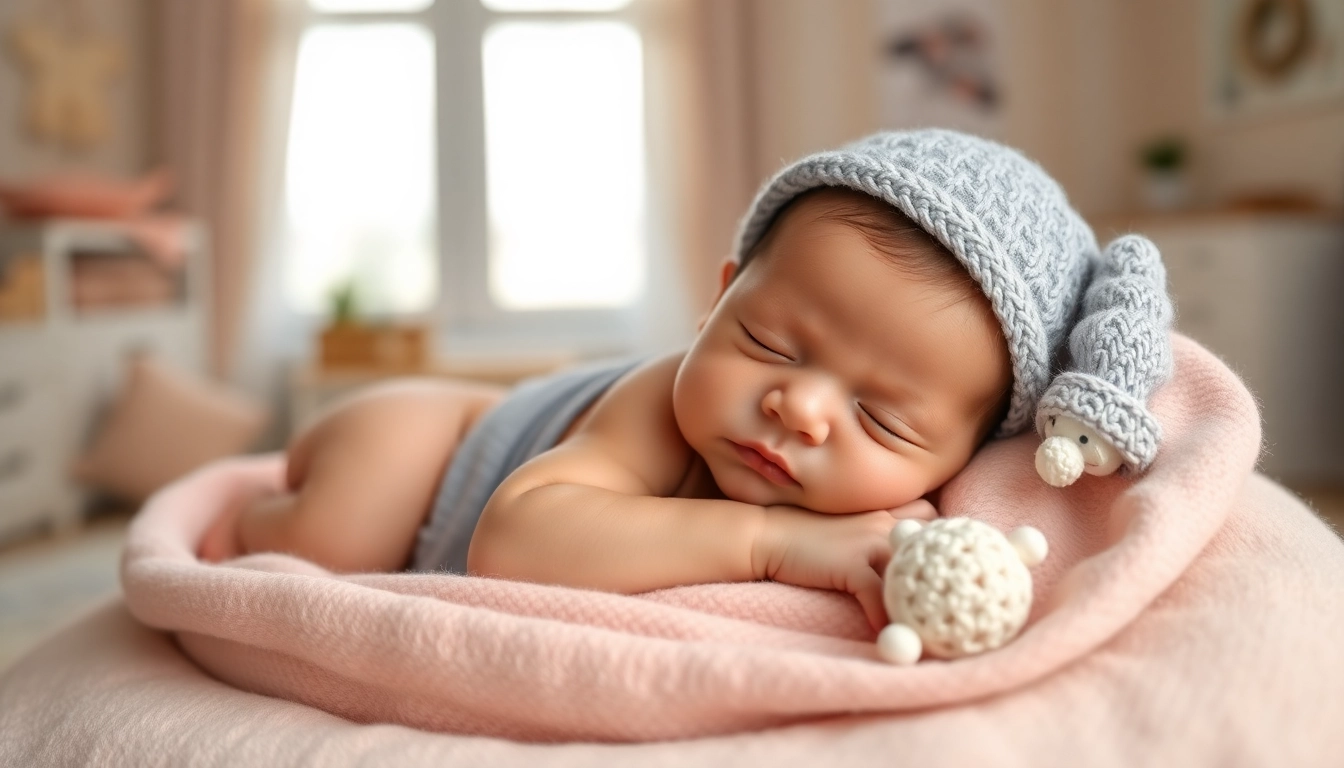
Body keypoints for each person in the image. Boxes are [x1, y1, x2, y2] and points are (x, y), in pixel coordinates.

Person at [201, 129, 1172, 632]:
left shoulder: (918, 511)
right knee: (337, 535)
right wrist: (768, 541)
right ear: (714, 304)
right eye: (770, 343)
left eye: (882, 418)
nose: (800, 406)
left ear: (971, 455)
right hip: (441, 441)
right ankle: (246, 515)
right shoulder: (666, 407)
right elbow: (514, 538)